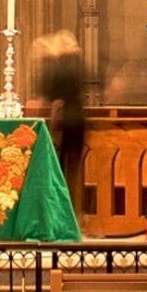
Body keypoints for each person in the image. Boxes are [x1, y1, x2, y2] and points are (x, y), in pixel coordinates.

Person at [30, 32, 92, 211]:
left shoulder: (56, 68)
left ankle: (58, 212)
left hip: (62, 123)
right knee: (73, 173)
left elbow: (56, 102)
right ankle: (74, 213)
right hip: (77, 120)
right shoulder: (76, 65)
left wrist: (51, 126)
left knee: (56, 172)